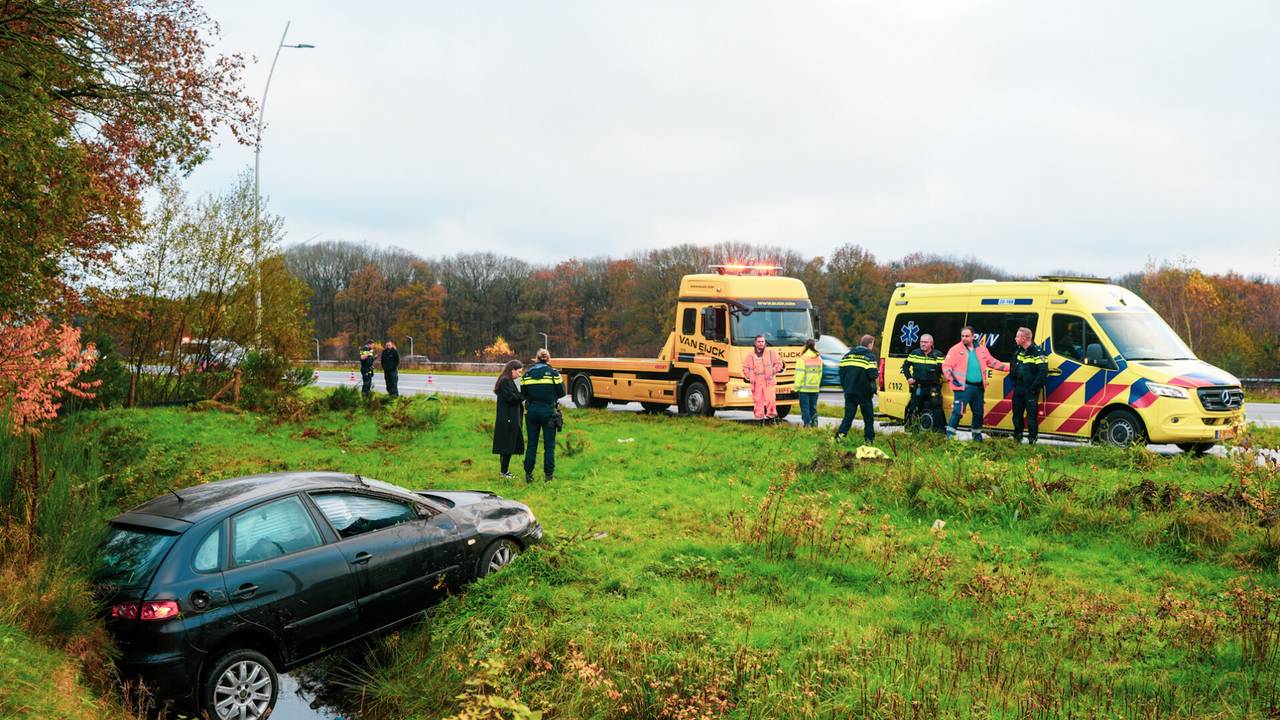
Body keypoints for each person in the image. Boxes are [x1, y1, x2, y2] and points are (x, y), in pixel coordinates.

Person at [942, 326, 1010, 441]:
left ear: (973, 337)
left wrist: (1010, 368)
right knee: (958, 412)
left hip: (978, 388)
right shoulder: (955, 349)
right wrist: (953, 380)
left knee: (978, 413)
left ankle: (977, 438)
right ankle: (950, 436)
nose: (964, 338)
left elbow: (992, 362)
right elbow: (946, 366)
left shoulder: (981, 349)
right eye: (962, 336)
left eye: (967, 336)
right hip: (963, 387)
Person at [521, 348, 565, 482]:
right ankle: (548, 476)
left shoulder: (527, 374)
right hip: (548, 412)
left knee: (532, 445)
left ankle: (528, 475)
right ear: (548, 359)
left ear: (536, 358)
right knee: (549, 446)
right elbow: (562, 392)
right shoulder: (553, 374)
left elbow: (524, 394)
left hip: (532, 412)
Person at [1009, 327, 1049, 444]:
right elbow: (1013, 367)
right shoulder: (1018, 351)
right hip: (1018, 387)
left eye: (1017, 336)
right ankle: (1017, 438)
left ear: (1024, 338)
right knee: (1017, 415)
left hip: (1030, 389)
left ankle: (1032, 440)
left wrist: (1033, 388)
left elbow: (1042, 373)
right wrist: (1014, 382)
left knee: (1031, 417)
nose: (1015, 338)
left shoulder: (1038, 352)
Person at [835, 334, 878, 443]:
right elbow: (873, 375)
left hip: (849, 391)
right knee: (868, 418)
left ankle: (839, 438)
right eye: (872, 344)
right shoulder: (869, 357)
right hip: (864, 393)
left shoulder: (847, 356)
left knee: (848, 417)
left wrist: (846, 386)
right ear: (869, 344)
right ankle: (869, 440)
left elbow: (841, 373)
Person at [902, 333, 945, 433]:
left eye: (925, 342)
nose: (923, 344)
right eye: (921, 342)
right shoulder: (914, 353)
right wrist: (909, 377)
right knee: (914, 408)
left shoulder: (937, 355)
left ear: (931, 343)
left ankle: (939, 432)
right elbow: (905, 366)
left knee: (937, 409)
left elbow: (945, 369)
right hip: (918, 387)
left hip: (933, 387)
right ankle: (911, 430)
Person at [492, 360, 525, 478]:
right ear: (513, 370)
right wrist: (523, 395)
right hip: (508, 418)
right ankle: (504, 472)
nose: (519, 375)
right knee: (507, 446)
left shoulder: (506, 380)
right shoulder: (506, 381)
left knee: (506, 446)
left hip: (508, 418)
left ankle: (504, 471)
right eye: (519, 372)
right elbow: (511, 398)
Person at [742, 334, 783, 422]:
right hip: (756, 381)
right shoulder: (750, 355)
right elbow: (745, 367)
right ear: (755, 343)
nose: (761, 343)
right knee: (758, 402)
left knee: (770, 400)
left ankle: (771, 418)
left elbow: (779, 363)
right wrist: (749, 376)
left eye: (762, 341)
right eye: (759, 342)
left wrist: (773, 371)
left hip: (768, 381)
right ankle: (759, 419)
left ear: (765, 343)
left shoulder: (771, 353)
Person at [796, 338, 823, 427]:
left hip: (804, 388)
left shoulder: (802, 358)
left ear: (805, 346)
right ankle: (815, 424)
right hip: (815, 387)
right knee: (813, 407)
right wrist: (817, 385)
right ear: (814, 346)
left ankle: (807, 424)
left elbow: (800, 373)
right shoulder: (818, 358)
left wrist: (797, 386)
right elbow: (820, 373)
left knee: (805, 407)